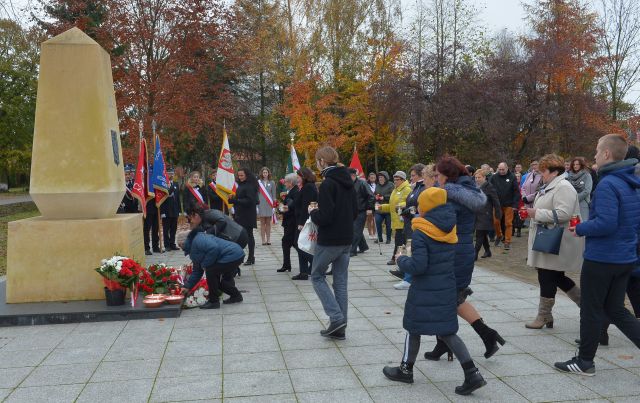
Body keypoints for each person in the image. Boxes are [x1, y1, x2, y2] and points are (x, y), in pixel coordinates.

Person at [382, 187, 487, 396]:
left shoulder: (421, 231)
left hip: (425, 288)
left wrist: (401, 259)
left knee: (413, 328)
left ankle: (405, 369)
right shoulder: (449, 227)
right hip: (446, 285)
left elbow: (419, 266)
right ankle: (472, 373)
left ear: (426, 206)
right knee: (447, 331)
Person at [555, 134, 640, 376]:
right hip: (624, 258)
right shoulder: (630, 182)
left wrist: (580, 227)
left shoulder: (608, 184)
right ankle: (585, 360)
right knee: (616, 310)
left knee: (591, 309)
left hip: (603, 258)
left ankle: (584, 362)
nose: (593, 156)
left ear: (606, 154)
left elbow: (606, 224)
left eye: (596, 151)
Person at [425, 156, 505, 360]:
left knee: (447, 299)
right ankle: (477, 337)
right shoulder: (468, 191)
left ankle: (482, 338)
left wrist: (420, 219)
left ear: (447, 176)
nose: (436, 179)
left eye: (438, 175)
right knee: (452, 299)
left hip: (452, 251)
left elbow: (443, 223)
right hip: (461, 249)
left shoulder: (451, 195)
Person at [525, 154, 583, 329]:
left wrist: (536, 213)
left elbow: (563, 214)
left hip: (557, 240)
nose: (541, 175)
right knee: (556, 277)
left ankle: (544, 316)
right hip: (549, 239)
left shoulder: (563, 187)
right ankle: (587, 306)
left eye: (544, 171)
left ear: (553, 171)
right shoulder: (552, 185)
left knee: (547, 276)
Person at [308, 146, 358, 339]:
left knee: (317, 276)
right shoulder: (348, 181)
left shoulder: (328, 183)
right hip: (346, 238)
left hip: (330, 240)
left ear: (322, 161)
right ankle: (340, 327)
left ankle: (336, 318)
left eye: (317, 161)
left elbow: (325, 217)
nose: (316, 164)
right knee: (340, 282)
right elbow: (354, 212)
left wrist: (313, 212)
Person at [179, 220, 245, 310]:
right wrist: (187, 286)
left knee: (211, 272)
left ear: (183, 242)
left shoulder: (198, 240)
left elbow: (214, 248)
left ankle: (214, 302)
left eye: (180, 245)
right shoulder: (193, 248)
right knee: (214, 279)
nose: (180, 248)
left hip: (233, 254)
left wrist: (206, 264)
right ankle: (236, 296)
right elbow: (197, 271)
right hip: (235, 254)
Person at [392, 163, 427, 290]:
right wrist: (403, 208)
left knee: (411, 250)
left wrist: (411, 211)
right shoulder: (416, 187)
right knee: (408, 249)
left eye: (413, 175)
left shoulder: (423, 188)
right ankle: (407, 277)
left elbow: (422, 206)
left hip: (416, 224)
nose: (410, 178)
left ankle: (408, 279)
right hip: (409, 223)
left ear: (421, 175)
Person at [379, 171, 412, 266]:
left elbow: (409, 203)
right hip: (396, 221)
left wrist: (400, 205)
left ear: (403, 180)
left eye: (397, 180)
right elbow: (391, 205)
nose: (395, 181)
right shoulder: (395, 190)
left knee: (400, 242)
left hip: (403, 220)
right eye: (394, 179)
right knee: (400, 242)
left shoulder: (407, 189)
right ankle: (400, 259)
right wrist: (382, 207)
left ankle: (396, 259)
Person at [292, 167, 318, 280]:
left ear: (304, 177)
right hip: (303, 220)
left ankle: (315, 263)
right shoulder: (307, 187)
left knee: (298, 244)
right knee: (301, 245)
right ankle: (303, 272)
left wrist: (301, 223)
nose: (297, 179)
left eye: (298, 177)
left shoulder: (308, 187)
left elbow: (305, 206)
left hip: (305, 221)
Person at [229, 168, 258, 266]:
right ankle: (242, 256)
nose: (240, 177)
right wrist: (233, 199)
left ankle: (251, 257)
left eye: (242, 175)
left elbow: (250, 201)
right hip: (240, 214)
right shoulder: (241, 185)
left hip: (247, 214)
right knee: (241, 236)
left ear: (247, 175)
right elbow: (240, 198)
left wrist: (235, 201)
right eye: (239, 175)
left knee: (249, 235)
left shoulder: (249, 185)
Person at [489, 162, 520, 250]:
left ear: (507, 168)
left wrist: (515, 204)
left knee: (508, 223)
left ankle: (507, 241)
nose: (501, 171)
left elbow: (516, 192)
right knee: (496, 222)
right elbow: (489, 188)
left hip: (509, 204)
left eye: (503, 169)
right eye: (500, 169)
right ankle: (499, 235)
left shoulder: (512, 177)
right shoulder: (494, 177)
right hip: (497, 204)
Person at [474, 169, 501, 260]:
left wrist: (498, 213)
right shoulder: (475, 187)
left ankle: (474, 255)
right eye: (476, 177)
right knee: (482, 234)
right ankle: (488, 251)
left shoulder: (489, 187)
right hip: (477, 214)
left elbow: (496, 201)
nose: (477, 179)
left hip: (486, 214)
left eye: (479, 177)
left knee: (479, 234)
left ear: (484, 177)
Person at [349, 167, 374, 257]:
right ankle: (363, 246)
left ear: (355, 175)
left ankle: (352, 250)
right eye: (350, 175)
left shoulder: (362, 183)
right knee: (356, 229)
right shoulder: (347, 184)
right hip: (351, 211)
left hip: (361, 210)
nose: (351, 177)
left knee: (355, 230)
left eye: (353, 175)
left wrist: (369, 208)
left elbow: (371, 196)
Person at [278, 173, 299, 273]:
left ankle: (312, 262)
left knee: (290, 243)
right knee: (288, 243)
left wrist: (282, 208)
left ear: (290, 183)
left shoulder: (295, 192)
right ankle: (286, 264)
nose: (284, 183)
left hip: (292, 222)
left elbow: (292, 206)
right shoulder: (291, 191)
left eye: (286, 182)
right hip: (289, 221)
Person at [161, 169, 180, 251]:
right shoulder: (162, 185)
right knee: (166, 229)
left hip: (174, 210)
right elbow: (161, 199)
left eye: (172, 173)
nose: (170, 175)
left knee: (173, 228)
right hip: (166, 210)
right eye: (168, 173)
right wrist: (162, 212)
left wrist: (179, 210)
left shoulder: (176, 184)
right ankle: (167, 245)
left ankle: (172, 244)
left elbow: (178, 198)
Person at [257, 167, 276, 245]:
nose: (265, 174)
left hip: (269, 205)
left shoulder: (272, 182)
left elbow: (274, 195)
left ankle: (268, 239)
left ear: (268, 173)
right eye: (264, 172)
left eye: (266, 172)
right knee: (262, 223)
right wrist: (256, 206)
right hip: (260, 204)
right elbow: (256, 194)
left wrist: (274, 206)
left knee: (268, 223)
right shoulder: (258, 183)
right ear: (261, 173)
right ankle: (263, 240)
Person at [374, 171, 394, 244]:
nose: (380, 179)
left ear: (385, 177)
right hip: (379, 208)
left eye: (382, 177)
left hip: (388, 208)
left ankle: (388, 239)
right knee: (377, 222)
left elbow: (393, 195)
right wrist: (375, 197)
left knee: (388, 225)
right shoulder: (377, 185)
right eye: (379, 177)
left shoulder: (391, 185)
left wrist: (384, 197)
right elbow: (375, 194)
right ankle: (379, 238)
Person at [366, 172, 378, 240]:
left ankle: (374, 233)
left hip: (376, 203)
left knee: (375, 219)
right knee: (369, 219)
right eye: (371, 177)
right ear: (369, 178)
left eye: (374, 177)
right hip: (369, 204)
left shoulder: (377, 185)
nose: (373, 179)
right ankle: (370, 233)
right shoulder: (366, 185)